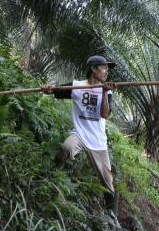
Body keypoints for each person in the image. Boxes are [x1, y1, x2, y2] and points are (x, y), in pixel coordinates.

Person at [41, 55, 119, 222]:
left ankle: (112, 216)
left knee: (107, 181)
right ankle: (52, 175)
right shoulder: (77, 86)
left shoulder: (107, 89)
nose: (106, 71)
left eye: (107, 68)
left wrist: (105, 92)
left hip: (97, 140)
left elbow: (104, 114)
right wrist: (49, 89)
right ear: (93, 69)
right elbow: (56, 90)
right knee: (67, 147)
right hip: (79, 134)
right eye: (103, 67)